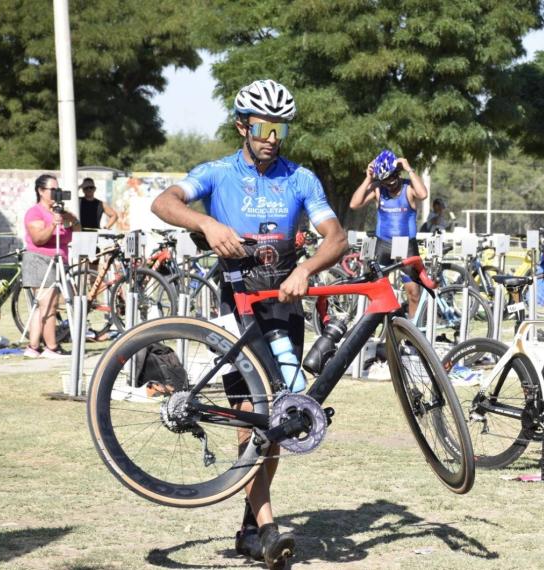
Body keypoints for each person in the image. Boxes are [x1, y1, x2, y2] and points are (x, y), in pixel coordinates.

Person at [151, 79, 347, 569]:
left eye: (280, 129)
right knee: (248, 413)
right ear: (242, 126)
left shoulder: (300, 179)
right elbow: (164, 202)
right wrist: (206, 223)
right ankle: (266, 528)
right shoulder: (217, 173)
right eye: (262, 128)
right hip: (237, 302)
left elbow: (336, 237)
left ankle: (250, 529)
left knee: (279, 416)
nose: (271, 138)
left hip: (285, 301)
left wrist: (307, 269)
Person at [349, 149, 428, 317]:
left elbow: (423, 194)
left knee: (413, 292)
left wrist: (409, 169)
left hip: (406, 245)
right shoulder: (378, 189)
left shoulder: (408, 187)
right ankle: (379, 325)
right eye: (386, 181)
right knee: (376, 290)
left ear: (397, 173)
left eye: (393, 178)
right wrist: (368, 178)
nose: (391, 184)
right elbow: (354, 204)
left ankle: (411, 330)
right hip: (383, 245)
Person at [22, 174, 80, 358]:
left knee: (43, 305)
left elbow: (76, 233)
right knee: (48, 304)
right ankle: (51, 347)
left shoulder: (60, 213)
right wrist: (53, 225)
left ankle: (33, 347)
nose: (56, 193)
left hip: (59, 261)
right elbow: (38, 239)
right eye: (52, 190)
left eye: (58, 190)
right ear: (41, 191)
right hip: (40, 260)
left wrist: (72, 219)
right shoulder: (35, 212)